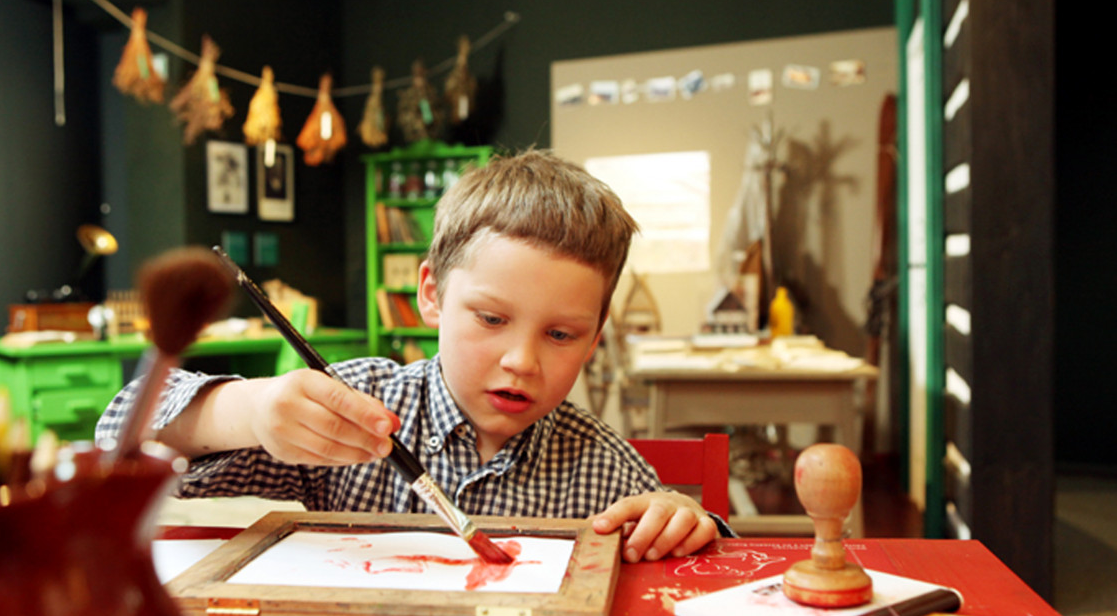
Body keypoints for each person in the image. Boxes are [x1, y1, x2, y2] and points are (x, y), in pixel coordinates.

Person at [96, 150, 726, 561]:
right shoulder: (354, 407)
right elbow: (116, 434)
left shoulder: (603, 462)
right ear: (431, 294)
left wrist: (683, 521)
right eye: (491, 319)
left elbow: (698, 555)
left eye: (560, 335)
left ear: (596, 335)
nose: (521, 361)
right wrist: (251, 409)